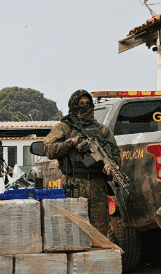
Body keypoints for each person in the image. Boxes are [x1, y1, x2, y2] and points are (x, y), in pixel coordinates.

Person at [43, 89, 122, 237]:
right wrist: (72, 142)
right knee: (73, 231)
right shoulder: (64, 128)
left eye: (88, 103)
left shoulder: (102, 130)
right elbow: (49, 150)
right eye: (81, 104)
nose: (85, 107)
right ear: (73, 105)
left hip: (98, 186)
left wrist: (112, 164)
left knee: (99, 233)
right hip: (74, 184)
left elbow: (116, 154)